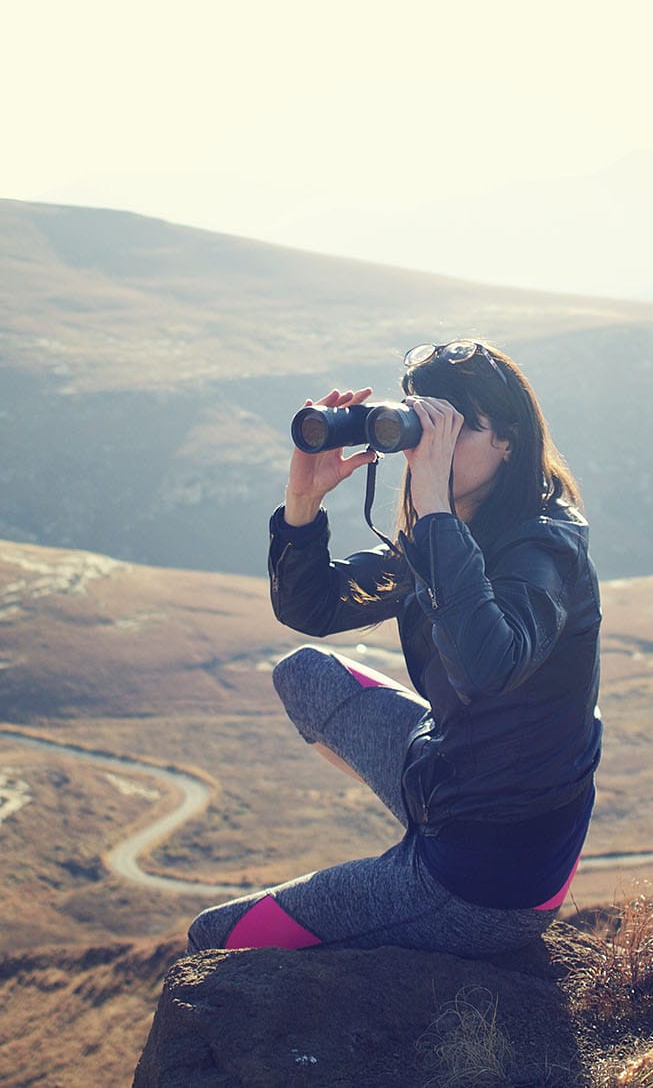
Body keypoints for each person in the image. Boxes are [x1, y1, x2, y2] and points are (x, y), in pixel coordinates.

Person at [185, 339, 602, 957]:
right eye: (421, 429)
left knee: (214, 938)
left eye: (455, 431)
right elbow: (315, 609)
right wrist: (303, 504)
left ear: (509, 440)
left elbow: (492, 667)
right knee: (304, 675)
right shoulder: (458, 528)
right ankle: (418, 842)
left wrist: (433, 507)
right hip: (452, 776)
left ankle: (415, 881)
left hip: (489, 878)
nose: (427, 452)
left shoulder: (541, 551)